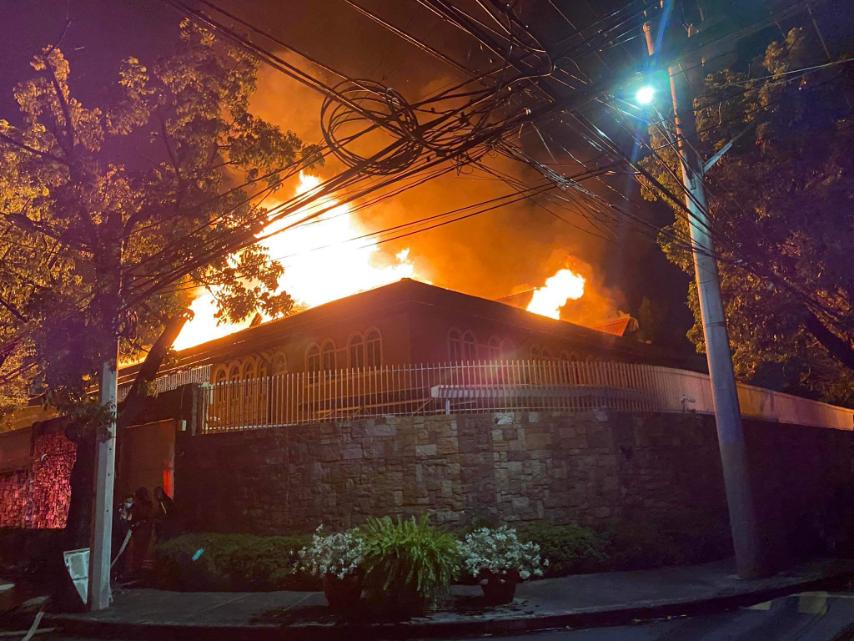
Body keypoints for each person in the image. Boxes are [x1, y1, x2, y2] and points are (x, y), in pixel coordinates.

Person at [126, 487, 154, 578]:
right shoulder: (140, 505)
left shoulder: (144, 505)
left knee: (139, 551)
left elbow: (147, 517)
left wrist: (138, 523)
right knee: (137, 551)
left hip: (142, 531)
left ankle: (136, 568)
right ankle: (135, 568)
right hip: (140, 531)